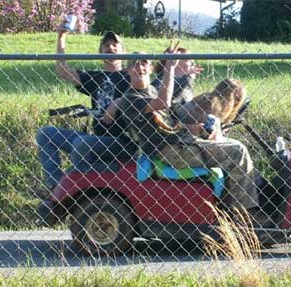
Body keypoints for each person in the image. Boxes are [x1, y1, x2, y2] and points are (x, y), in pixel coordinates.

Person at [107, 42, 259, 216]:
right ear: (127, 70)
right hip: (170, 151)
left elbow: (167, 121)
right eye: (134, 63)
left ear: (150, 68)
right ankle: (246, 215)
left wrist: (193, 128)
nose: (139, 66)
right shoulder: (131, 98)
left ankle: (231, 209)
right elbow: (163, 103)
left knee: (233, 144)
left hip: (182, 143)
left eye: (144, 62)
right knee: (237, 151)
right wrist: (170, 67)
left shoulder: (151, 91)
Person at [35, 21, 136, 197]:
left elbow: (145, 92)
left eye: (115, 44)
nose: (110, 47)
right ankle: (57, 187)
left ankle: (79, 191)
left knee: (81, 144)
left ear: (123, 51)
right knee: (46, 133)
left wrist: (119, 102)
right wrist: (61, 38)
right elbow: (62, 70)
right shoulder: (95, 77)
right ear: (100, 53)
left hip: (122, 141)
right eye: (106, 45)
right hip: (96, 138)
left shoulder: (131, 74)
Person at [151, 46, 203, 111]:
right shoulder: (161, 80)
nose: (192, 63)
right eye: (187, 59)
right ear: (174, 61)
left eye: (192, 59)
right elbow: (167, 102)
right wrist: (186, 79)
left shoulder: (185, 80)